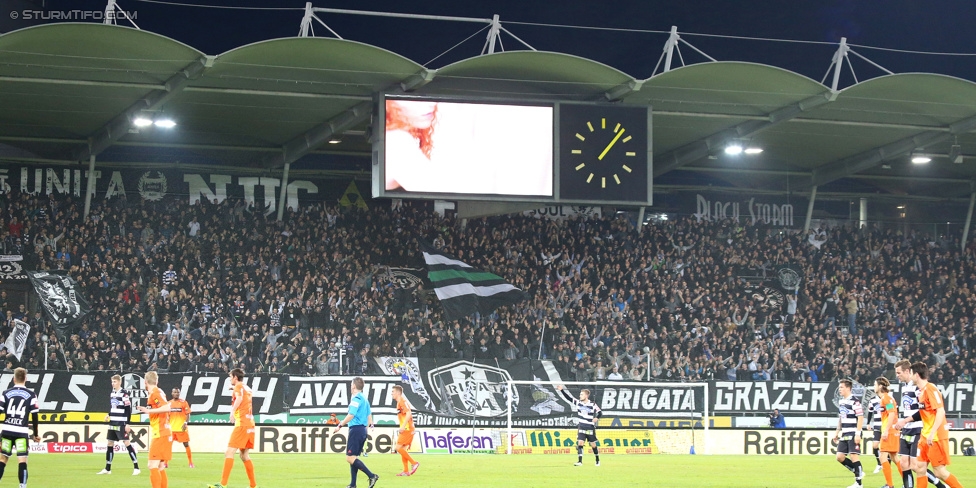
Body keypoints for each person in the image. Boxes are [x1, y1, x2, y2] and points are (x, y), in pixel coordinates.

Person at [900, 362, 965, 488]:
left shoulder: (931, 389)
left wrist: (932, 432)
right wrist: (905, 421)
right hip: (925, 435)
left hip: (935, 436)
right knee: (919, 468)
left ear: (917, 375)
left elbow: (940, 411)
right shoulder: (921, 392)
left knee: (939, 472)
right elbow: (922, 412)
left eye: (911, 374)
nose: (910, 377)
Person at [894, 359, 948, 488]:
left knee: (916, 465)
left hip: (918, 428)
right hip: (906, 428)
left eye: (899, 372)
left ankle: (940, 485)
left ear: (908, 372)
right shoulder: (905, 387)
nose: (897, 375)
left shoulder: (919, 388)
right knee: (903, 464)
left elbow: (924, 410)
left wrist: (905, 420)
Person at [209, 368, 257, 488]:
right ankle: (253, 485)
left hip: (242, 424)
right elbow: (243, 395)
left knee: (229, 452)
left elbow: (240, 398)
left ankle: (223, 484)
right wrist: (233, 389)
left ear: (235, 377)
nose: (230, 379)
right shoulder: (247, 387)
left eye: (231, 377)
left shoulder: (238, 387)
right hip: (250, 423)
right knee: (244, 455)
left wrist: (232, 412)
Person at [332, 377, 379, 488]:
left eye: (351, 384)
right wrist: (369, 426)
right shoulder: (364, 399)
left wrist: (340, 425)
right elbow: (369, 414)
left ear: (353, 386)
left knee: (349, 458)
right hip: (362, 430)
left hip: (356, 429)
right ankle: (353, 484)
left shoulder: (356, 398)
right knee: (353, 457)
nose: (350, 386)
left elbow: (351, 415)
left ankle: (372, 476)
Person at [0, 368, 40, 488]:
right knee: (22, 460)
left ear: (14, 379)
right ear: (25, 379)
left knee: (2, 460)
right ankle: (22, 486)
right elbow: (34, 415)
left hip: (7, 431)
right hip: (21, 432)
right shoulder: (31, 395)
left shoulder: (5, 393)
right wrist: (35, 434)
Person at [98, 374, 141, 475]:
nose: (113, 383)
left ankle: (136, 467)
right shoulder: (112, 393)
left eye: (115, 382)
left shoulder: (124, 394)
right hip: (113, 422)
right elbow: (113, 407)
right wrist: (108, 415)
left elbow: (128, 409)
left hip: (121, 422)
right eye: (112, 382)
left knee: (126, 443)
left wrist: (127, 423)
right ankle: (108, 468)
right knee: (110, 443)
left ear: (119, 382)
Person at [135, 371, 171, 488]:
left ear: (145, 382)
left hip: (160, 433)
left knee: (152, 465)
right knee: (160, 467)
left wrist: (148, 411)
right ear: (157, 380)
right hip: (164, 432)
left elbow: (167, 407)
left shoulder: (155, 393)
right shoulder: (158, 392)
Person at [556, 384, 602, 467]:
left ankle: (597, 459)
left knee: (593, 445)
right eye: (580, 394)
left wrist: (597, 418)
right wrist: (562, 390)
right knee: (580, 443)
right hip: (581, 426)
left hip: (590, 427)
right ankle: (580, 461)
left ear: (586, 395)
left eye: (582, 394)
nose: (580, 396)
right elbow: (568, 398)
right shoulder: (578, 403)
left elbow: (600, 412)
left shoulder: (592, 404)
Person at [833, 378, 864, 488]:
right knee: (839, 457)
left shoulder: (854, 401)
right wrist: (837, 431)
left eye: (841, 387)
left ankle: (859, 483)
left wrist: (858, 433)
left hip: (853, 432)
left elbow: (860, 417)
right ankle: (858, 472)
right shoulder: (841, 402)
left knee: (854, 456)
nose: (839, 389)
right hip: (845, 432)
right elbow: (841, 418)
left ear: (848, 388)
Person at [875, 377, 901, 488]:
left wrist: (885, 431)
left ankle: (889, 485)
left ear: (880, 386)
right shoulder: (888, 398)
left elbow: (891, 413)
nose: (874, 386)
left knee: (882, 457)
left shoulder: (886, 398)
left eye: (875, 384)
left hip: (889, 431)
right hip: (892, 431)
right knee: (895, 457)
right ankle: (907, 481)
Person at [391, 385, 419, 477]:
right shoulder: (400, 402)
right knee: (402, 450)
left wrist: (402, 426)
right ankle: (406, 471)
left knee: (398, 448)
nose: (392, 393)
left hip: (407, 429)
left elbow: (409, 413)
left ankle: (414, 463)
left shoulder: (402, 401)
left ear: (398, 393)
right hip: (408, 428)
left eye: (393, 392)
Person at [169, 388, 194, 468]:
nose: (176, 393)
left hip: (181, 428)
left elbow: (188, 414)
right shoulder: (169, 403)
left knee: (186, 444)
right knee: (168, 445)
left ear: (179, 393)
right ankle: (165, 463)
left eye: (177, 392)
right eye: (174, 392)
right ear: (172, 393)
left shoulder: (184, 402)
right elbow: (166, 416)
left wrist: (185, 423)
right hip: (171, 429)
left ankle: (190, 462)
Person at [866, 389, 883, 473]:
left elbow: (893, 412)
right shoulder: (873, 400)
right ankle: (880, 464)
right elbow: (870, 412)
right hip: (877, 425)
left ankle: (886, 465)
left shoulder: (888, 398)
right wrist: (868, 423)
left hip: (886, 426)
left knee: (886, 448)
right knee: (875, 446)